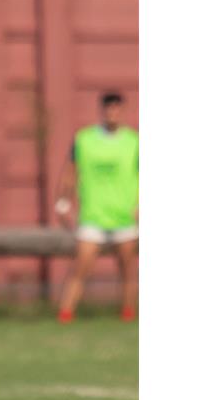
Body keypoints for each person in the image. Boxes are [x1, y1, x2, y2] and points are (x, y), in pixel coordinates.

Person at [54, 91, 139, 323]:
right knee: (81, 266)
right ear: (102, 111)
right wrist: (63, 201)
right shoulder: (85, 139)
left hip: (124, 215)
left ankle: (128, 315)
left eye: (116, 108)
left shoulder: (134, 141)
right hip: (93, 214)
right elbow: (71, 171)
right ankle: (65, 314)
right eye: (108, 108)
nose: (112, 113)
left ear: (122, 111)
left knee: (128, 270)